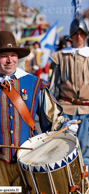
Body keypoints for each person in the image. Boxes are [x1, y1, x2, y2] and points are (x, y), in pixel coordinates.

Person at [0, 31, 78, 193]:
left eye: (13, 55)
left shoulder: (34, 83)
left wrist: (65, 125)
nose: (10, 60)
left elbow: (52, 115)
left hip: (29, 158)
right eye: (4, 55)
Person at [49, 16, 89, 172]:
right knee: (65, 148)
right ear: (70, 36)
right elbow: (53, 86)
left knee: (86, 148)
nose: (78, 37)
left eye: (81, 33)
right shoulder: (60, 56)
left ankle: (85, 183)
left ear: (85, 35)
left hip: (87, 109)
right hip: (66, 108)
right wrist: (53, 111)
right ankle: (66, 182)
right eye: (75, 34)